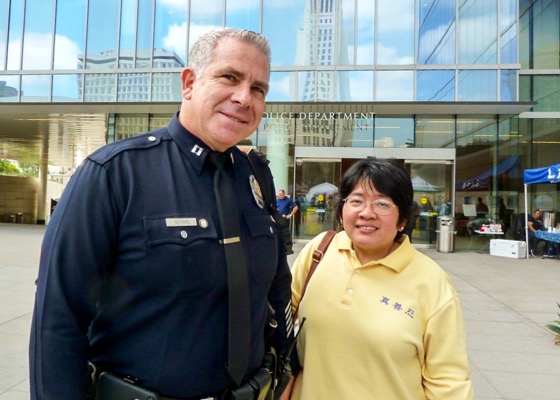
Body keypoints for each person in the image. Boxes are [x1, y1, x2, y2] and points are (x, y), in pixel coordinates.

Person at [29, 28, 295, 400]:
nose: (243, 97)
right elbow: (58, 318)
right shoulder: (114, 173)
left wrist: (285, 371)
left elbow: (277, 286)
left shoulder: (256, 176)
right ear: (189, 83)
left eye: (258, 89)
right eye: (229, 77)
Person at [286, 158, 474, 399]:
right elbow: (280, 320)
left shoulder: (432, 283)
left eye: (382, 204)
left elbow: (449, 382)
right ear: (342, 211)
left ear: (403, 219)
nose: (367, 213)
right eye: (356, 201)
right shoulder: (320, 251)